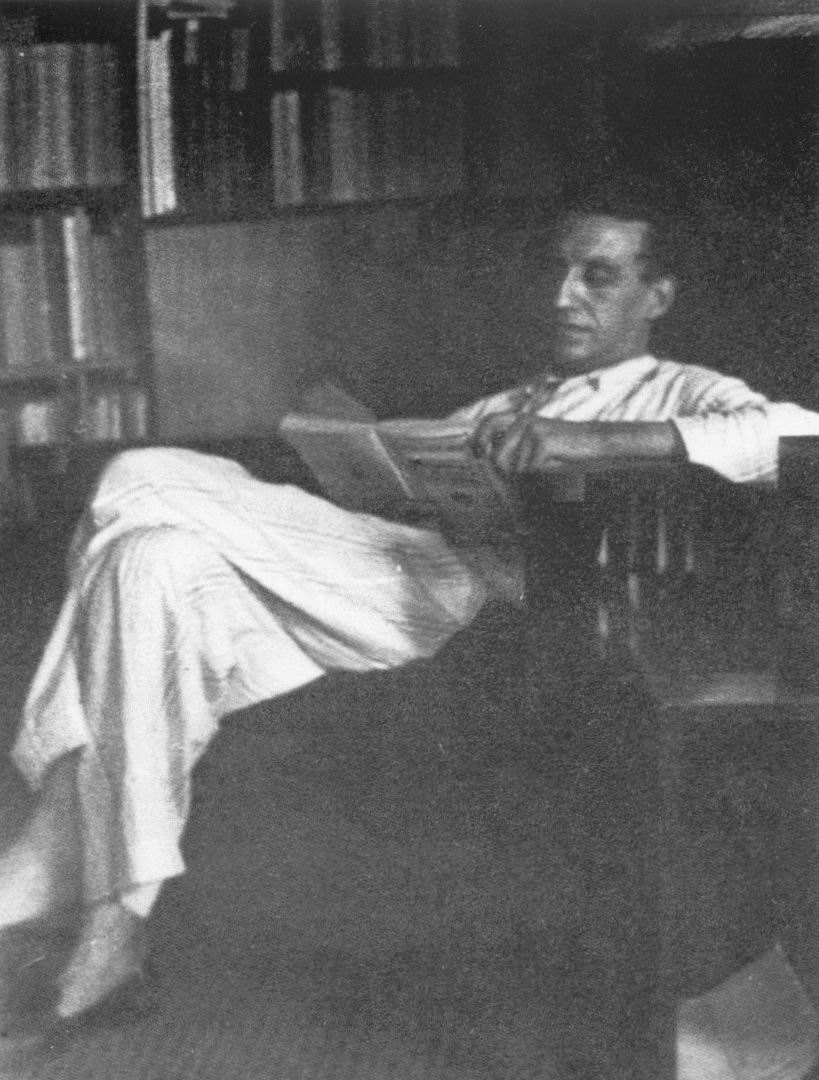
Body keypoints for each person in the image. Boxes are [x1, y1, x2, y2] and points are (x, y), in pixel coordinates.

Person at [2, 200, 818, 1033]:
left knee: (135, 476)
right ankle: (117, 922)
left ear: (657, 296)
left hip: (478, 595)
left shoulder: (682, 388)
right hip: (383, 565)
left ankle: (51, 845)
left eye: (597, 277)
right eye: (558, 272)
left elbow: (799, 434)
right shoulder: (510, 399)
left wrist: (598, 442)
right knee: (147, 558)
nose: (563, 295)